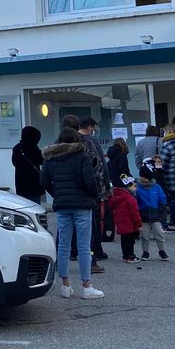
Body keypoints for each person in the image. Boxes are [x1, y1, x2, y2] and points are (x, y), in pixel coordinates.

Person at [38, 128, 104, 299]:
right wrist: (94, 197)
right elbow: (90, 181)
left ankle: (65, 285)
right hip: (82, 205)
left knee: (63, 245)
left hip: (62, 204)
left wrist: (57, 193)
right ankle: (86, 286)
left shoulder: (51, 158)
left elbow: (43, 180)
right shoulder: (82, 156)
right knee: (83, 246)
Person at [78, 117, 110, 271]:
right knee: (93, 223)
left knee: (66, 228)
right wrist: (104, 186)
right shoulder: (91, 142)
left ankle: (63, 262)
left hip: (71, 192)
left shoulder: (67, 143)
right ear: (90, 127)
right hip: (90, 190)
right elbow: (100, 166)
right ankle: (93, 255)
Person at [135, 161, 169, 260]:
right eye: (141, 176)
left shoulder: (156, 187)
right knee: (144, 236)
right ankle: (145, 252)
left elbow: (162, 200)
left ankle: (162, 250)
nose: (142, 178)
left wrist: (161, 214)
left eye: (144, 176)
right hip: (143, 215)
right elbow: (135, 201)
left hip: (155, 215)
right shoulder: (137, 188)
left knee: (159, 233)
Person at [108, 175, 142, 263]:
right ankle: (130, 256)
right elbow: (135, 214)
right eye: (134, 186)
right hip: (130, 224)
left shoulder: (116, 197)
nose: (136, 188)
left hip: (121, 223)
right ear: (128, 187)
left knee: (124, 241)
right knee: (130, 242)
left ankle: (125, 255)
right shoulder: (130, 199)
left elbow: (111, 206)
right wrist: (139, 224)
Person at [12, 126, 44, 204]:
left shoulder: (17, 147)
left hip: (21, 183)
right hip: (33, 183)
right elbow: (41, 160)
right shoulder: (33, 148)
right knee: (35, 206)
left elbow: (14, 162)